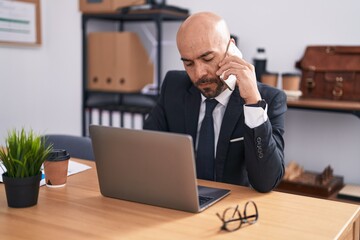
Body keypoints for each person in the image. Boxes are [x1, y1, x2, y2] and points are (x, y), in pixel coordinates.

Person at [143, 12, 287, 193]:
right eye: (188, 63)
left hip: (230, 209)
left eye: (207, 58)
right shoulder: (174, 86)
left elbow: (266, 182)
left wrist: (252, 103)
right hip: (179, 200)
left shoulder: (270, 99)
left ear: (231, 50)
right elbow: (146, 151)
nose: (198, 74)